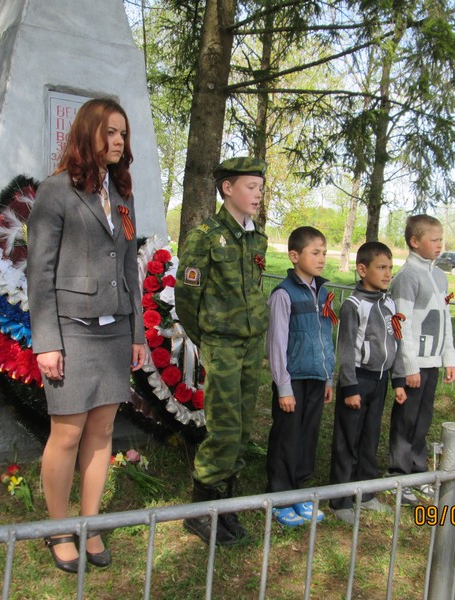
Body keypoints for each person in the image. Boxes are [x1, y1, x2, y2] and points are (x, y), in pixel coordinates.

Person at [27, 98, 147, 573]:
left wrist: (137, 331)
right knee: (67, 433)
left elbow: (130, 270)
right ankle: (57, 530)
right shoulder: (55, 192)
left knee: (102, 433)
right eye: (111, 132)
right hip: (71, 334)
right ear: (88, 133)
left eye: (123, 134)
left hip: (115, 331)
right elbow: (39, 273)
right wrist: (47, 342)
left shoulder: (123, 195)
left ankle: (89, 525)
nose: (119, 141)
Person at [174, 156, 269, 545]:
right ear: (227, 188)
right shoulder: (205, 237)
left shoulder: (257, 238)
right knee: (224, 427)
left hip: (251, 345)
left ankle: (224, 505)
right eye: (251, 186)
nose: (258, 194)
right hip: (223, 344)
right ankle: (200, 512)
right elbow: (186, 300)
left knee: (243, 426)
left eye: (261, 188)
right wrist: (208, 339)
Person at [329, 242, 406, 525]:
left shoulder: (389, 303)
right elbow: (346, 349)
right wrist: (349, 387)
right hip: (358, 381)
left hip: (381, 380)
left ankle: (366, 492)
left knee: (370, 437)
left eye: (390, 268)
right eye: (381, 268)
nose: (388, 274)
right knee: (347, 439)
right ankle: (340, 498)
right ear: (362, 270)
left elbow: (394, 341)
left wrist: (397, 380)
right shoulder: (353, 305)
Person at [265, 226, 335, 527]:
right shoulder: (284, 294)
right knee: (287, 436)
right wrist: (283, 386)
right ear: (294, 256)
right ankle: (279, 496)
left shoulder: (324, 292)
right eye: (314, 252)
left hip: (316, 378)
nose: (321, 258)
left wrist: (328, 376)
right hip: (292, 380)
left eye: (324, 252)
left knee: (308, 434)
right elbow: (277, 342)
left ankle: (298, 491)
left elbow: (327, 337)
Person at [387, 215, 455, 505]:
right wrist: (409, 366)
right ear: (415, 242)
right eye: (434, 239)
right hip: (413, 365)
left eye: (441, 239)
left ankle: (418, 470)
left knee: (423, 419)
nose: (439, 245)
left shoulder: (439, 276)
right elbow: (401, 325)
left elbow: (445, 321)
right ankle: (398, 475)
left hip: (432, 364)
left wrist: (448, 357)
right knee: (406, 420)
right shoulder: (407, 277)